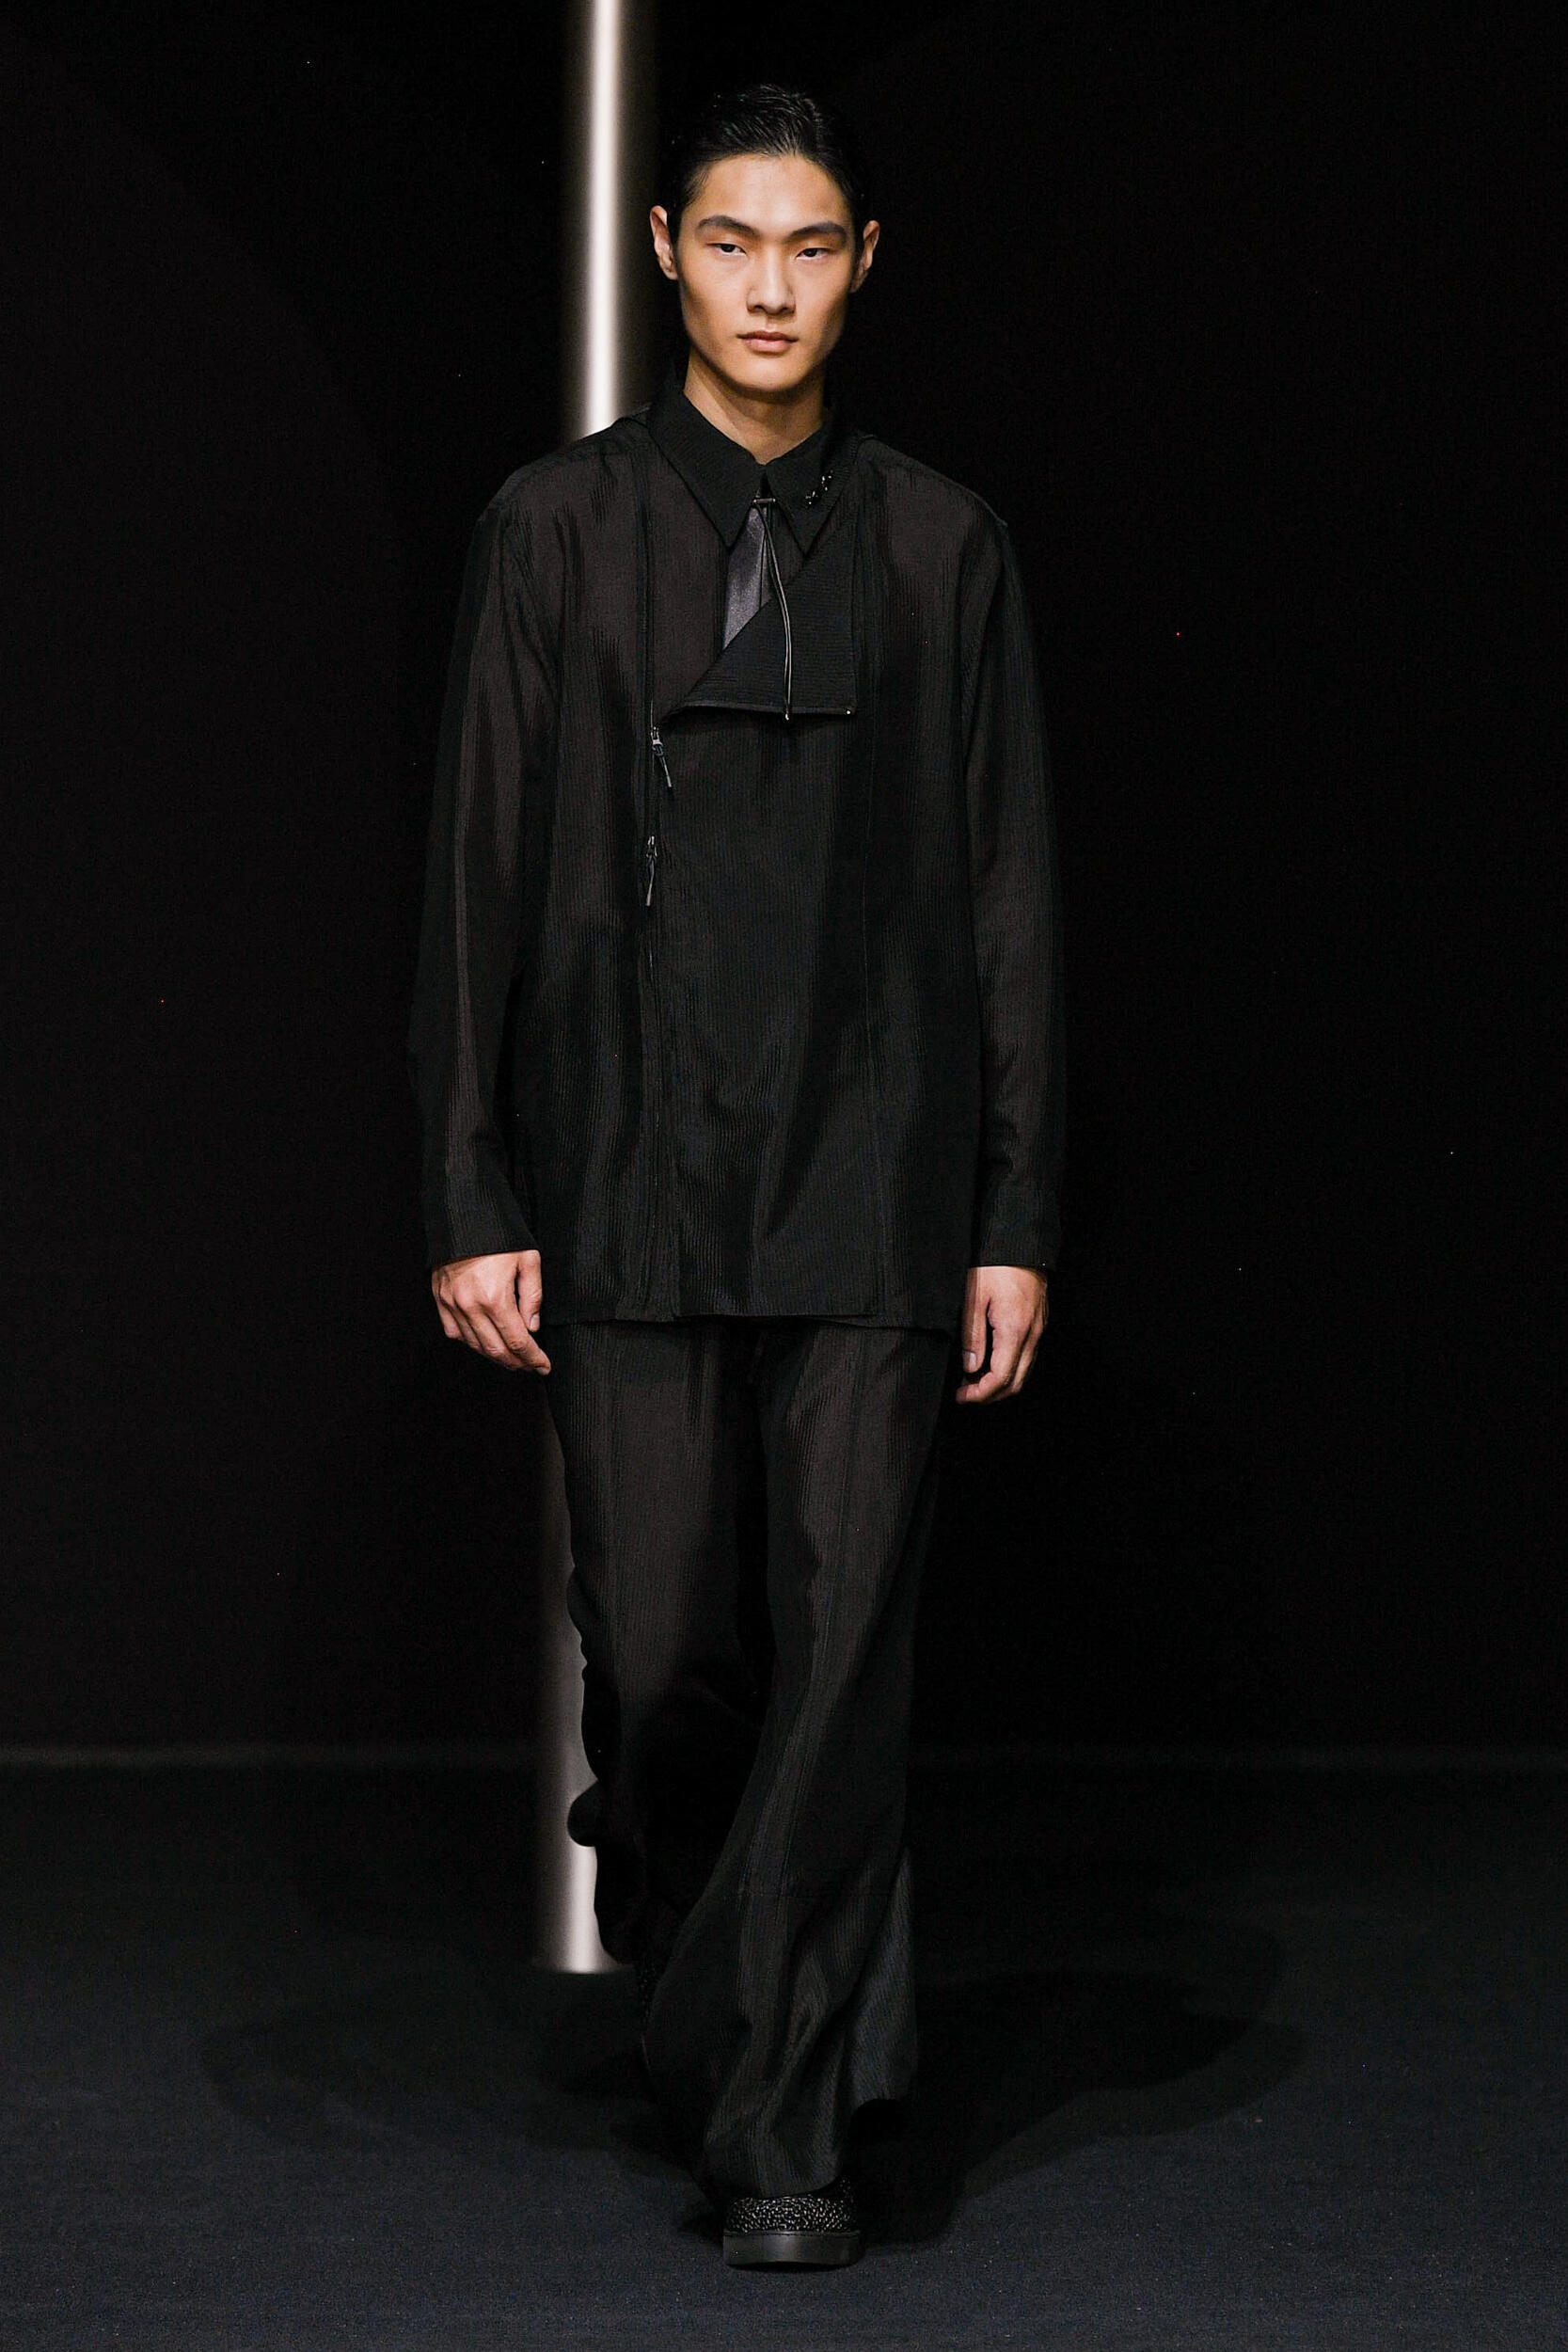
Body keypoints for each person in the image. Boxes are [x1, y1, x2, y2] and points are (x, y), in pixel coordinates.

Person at [407, 82, 1063, 2268]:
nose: (768, 287)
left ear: (863, 263)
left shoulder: (949, 547)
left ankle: (782, 2130)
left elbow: (1010, 900)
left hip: (877, 1168)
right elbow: (477, 871)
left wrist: (1012, 1211)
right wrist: (471, 1182)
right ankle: (711, 1968)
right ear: (667, 253)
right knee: (673, 1642)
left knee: (847, 1647)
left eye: (808, 246)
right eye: (729, 242)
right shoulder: (553, 531)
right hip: (627, 1164)